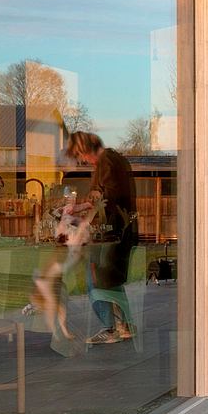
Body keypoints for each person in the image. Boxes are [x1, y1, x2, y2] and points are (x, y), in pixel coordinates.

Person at [65, 131, 139, 345]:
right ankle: (125, 326)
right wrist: (80, 209)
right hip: (120, 231)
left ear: (86, 149)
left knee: (96, 280)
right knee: (110, 279)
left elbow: (105, 198)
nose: (82, 160)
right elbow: (104, 197)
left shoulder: (106, 161)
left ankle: (110, 328)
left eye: (80, 155)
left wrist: (79, 211)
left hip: (112, 232)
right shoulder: (113, 160)